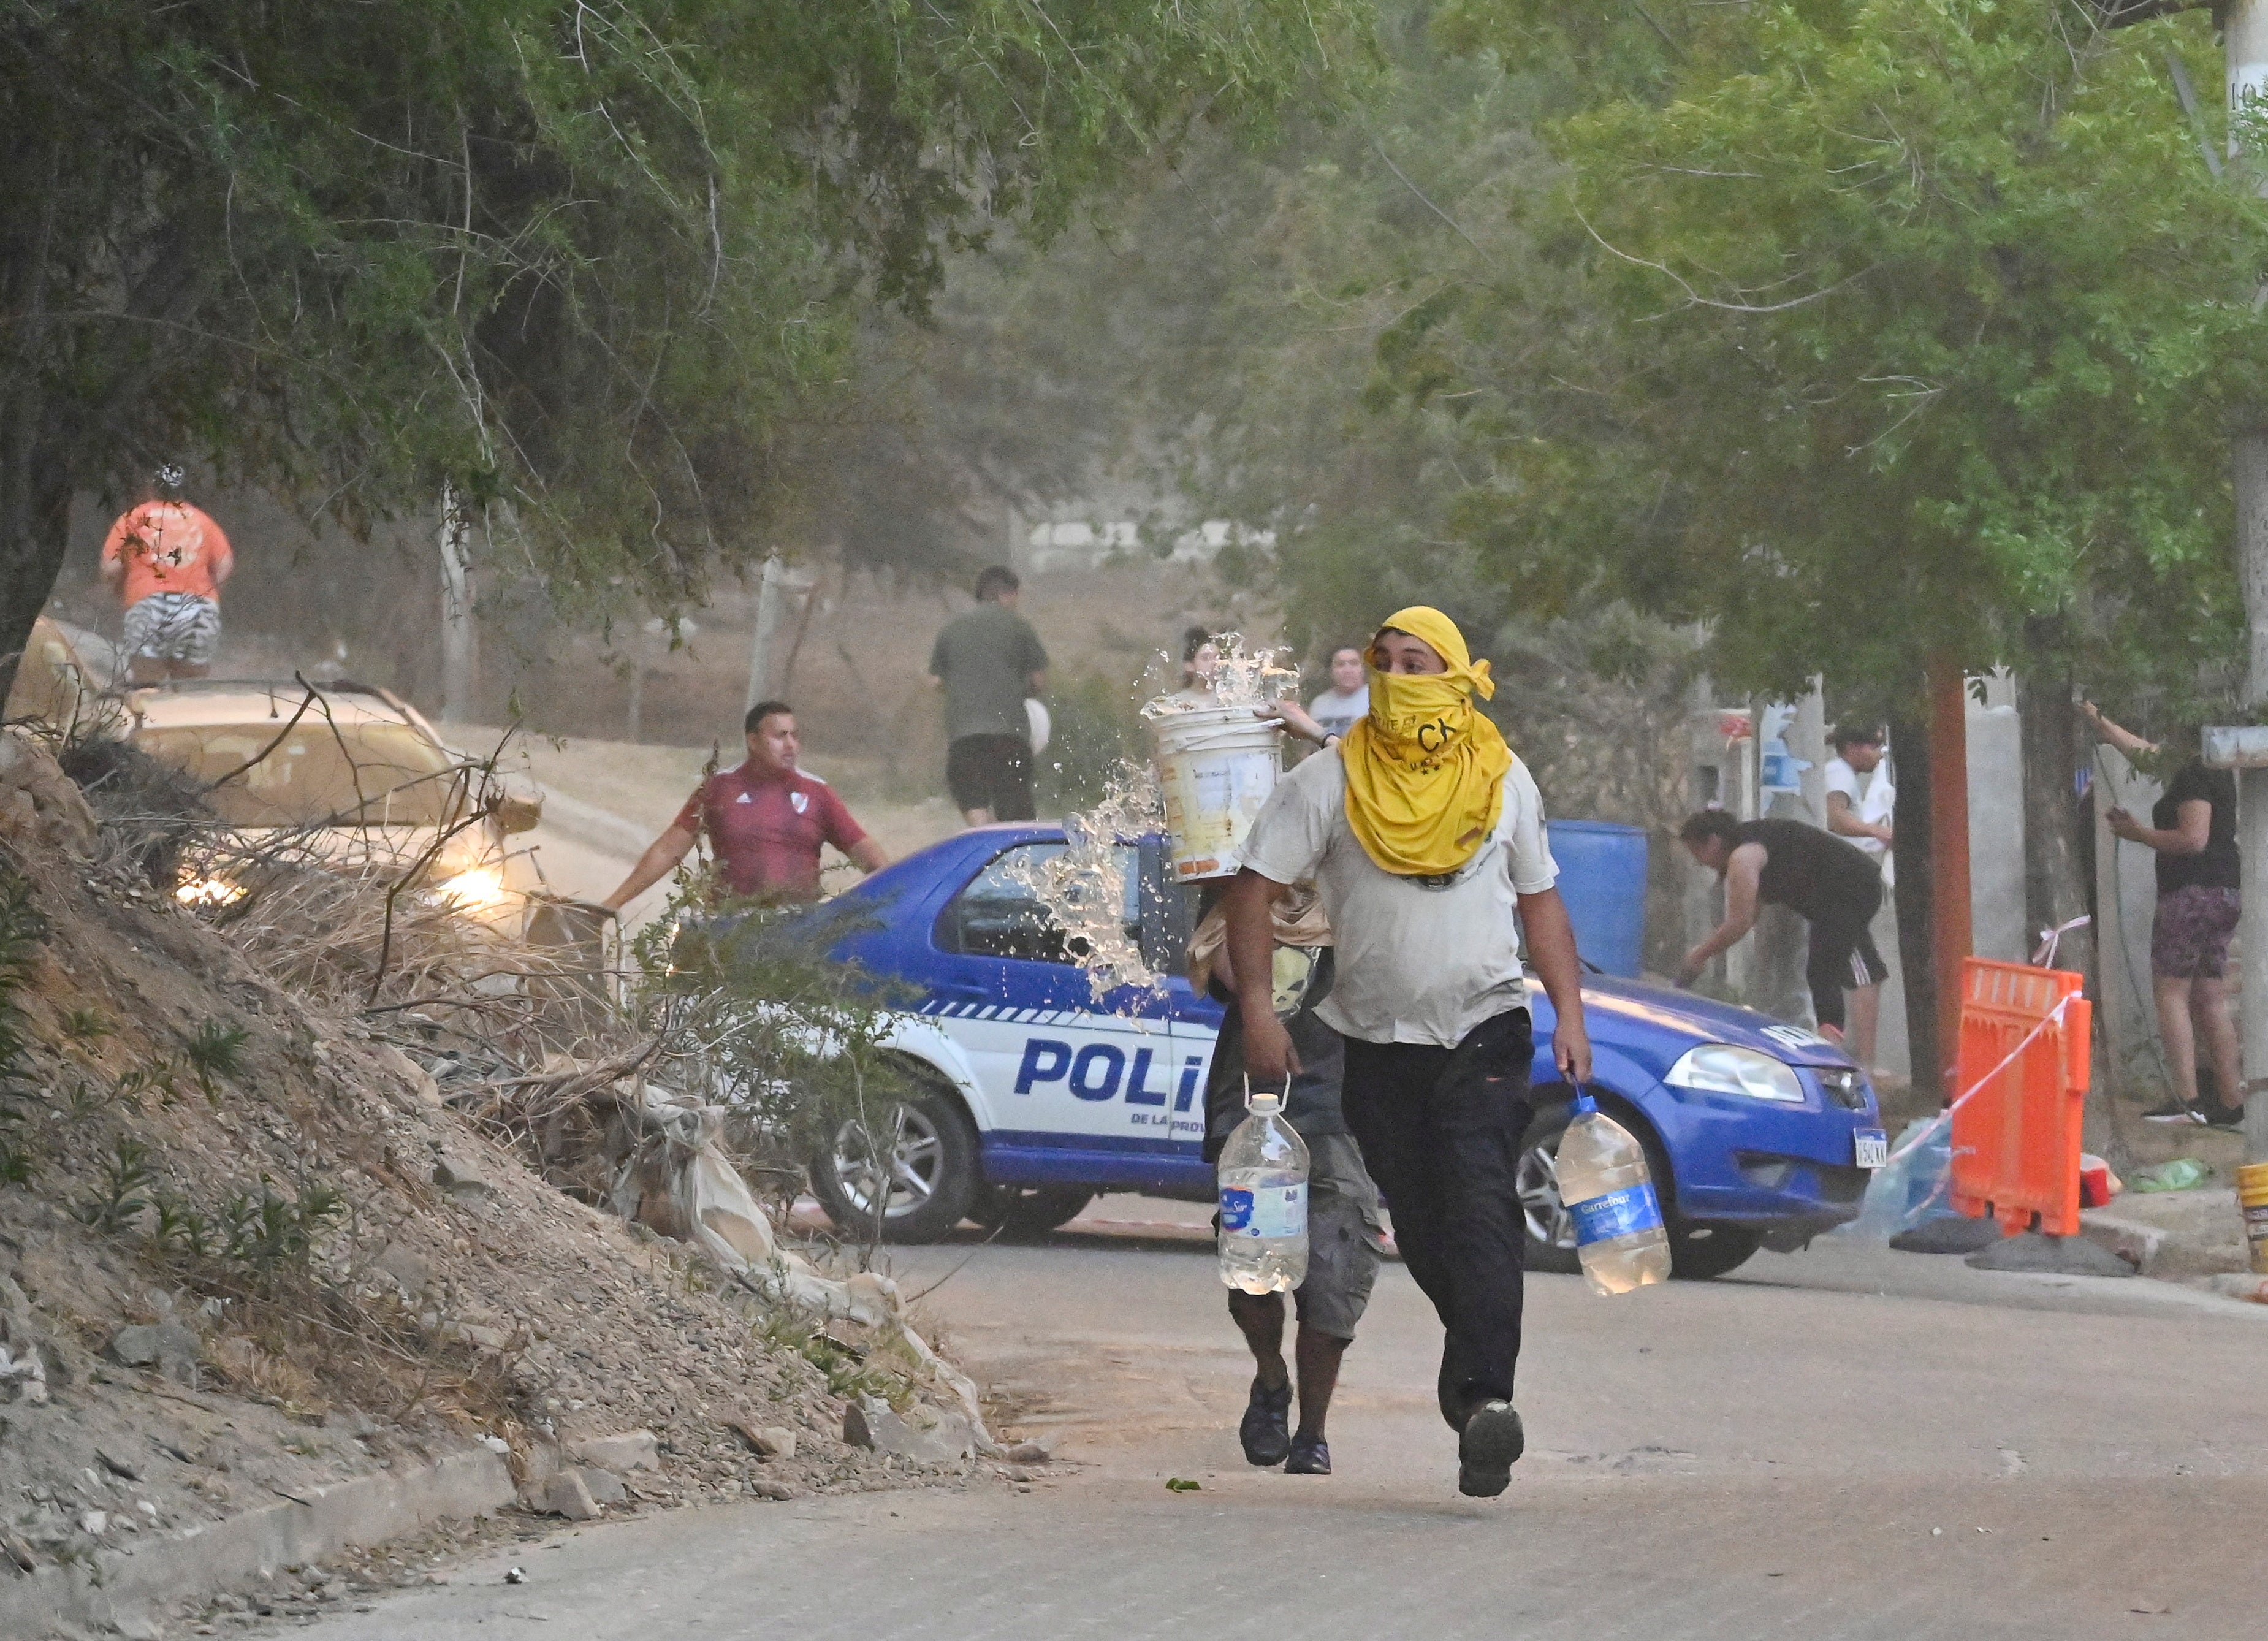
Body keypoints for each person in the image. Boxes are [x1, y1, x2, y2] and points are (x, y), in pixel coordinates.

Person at [1224, 607, 1590, 1499]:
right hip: (1375, 1047)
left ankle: (1481, 1403)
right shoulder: (1332, 777)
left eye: (1414, 661)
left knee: (1480, 1207)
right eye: (1382, 661)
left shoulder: (1504, 779)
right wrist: (1259, 1012)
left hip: (1487, 1029)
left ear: (1457, 675)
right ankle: (1469, 1380)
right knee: (1424, 1226)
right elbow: (1253, 887)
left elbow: (1540, 900)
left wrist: (1570, 1015)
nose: (1394, 674)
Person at [1187, 885, 1384, 1478]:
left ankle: (1312, 1433)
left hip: (1346, 1109)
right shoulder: (1244, 883)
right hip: (1256, 1102)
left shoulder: (1374, 876)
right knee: (1254, 1271)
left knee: (1336, 1268)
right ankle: (1271, 1379)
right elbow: (1222, 967)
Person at [2084, 702, 2242, 1127]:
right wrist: (2103, 723)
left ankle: (2188, 1099)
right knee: (2210, 996)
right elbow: (2147, 755)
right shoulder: (2214, 767)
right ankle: (2231, 1100)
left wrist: (2137, 833)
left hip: (2191, 894)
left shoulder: (2193, 773)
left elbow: (2194, 839)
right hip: (2223, 893)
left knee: (2171, 992)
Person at [601, 701, 888, 911]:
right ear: (753, 741)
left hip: (799, 933)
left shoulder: (818, 794)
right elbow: (668, 850)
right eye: (780, 736)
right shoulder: (719, 789)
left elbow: (874, 862)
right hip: (728, 928)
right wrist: (612, 904)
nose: (791, 745)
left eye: (795, 735)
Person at [1675, 810, 1888, 1067]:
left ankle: (1834, 1056)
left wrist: (1700, 954)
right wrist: (1705, 953)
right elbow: (1748, 916)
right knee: (1857, 969)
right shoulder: (1749, 844)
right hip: (1843, 891)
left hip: (1850, 889)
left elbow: (1740, 921)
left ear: (1714, 841)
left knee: (1824, 970)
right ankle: (1863, 1063)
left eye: (1698, 852)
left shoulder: (1744, 857)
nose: (1698, 862)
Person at [928, 566, 1049, 826]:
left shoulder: (952, 628)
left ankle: (983, 833)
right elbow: (1039, 680)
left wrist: (963, 694)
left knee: (971, 796)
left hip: (965, 735)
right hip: (1010, 733)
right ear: (1009, 594)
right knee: (1015, 805)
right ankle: (1011, 851)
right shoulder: (1019, 626)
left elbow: (936, 681)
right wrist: (1019, 693)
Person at [101, 463, 234, 684]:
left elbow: (110, 568)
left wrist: (117, 590)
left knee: (147, 685)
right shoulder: (203, 520)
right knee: (190, 692)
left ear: (151, 488)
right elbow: (225, 564)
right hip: (198, 607)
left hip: (148, 604)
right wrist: (210, 592)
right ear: (182, 492)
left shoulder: (133, 518)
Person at [1822, 725, 1895, 881]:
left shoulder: (1842, 772)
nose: (1879, 755)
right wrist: (1878, 831)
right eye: (1874, 747)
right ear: (1852, 747)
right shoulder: (1840, 773)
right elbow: (1836, 819)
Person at [1306, 645, 1369, 742]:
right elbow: (1308, 745)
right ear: (1331, 671)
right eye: (1340, 664)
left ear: (1363, 669)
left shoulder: (1375, 698)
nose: (1348, 670)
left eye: (1354, 663)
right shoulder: (1319, 704)